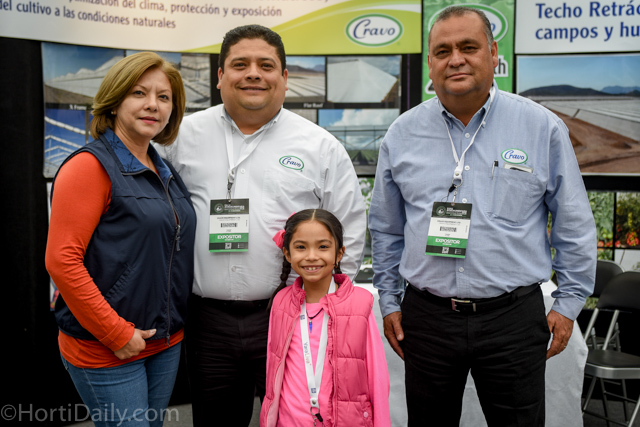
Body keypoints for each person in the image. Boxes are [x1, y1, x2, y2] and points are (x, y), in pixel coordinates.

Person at [368, 6, 596, 427]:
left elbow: (574, 223)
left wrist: (568, 305)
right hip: (427, 318)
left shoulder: (541, 128)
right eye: (443, 51)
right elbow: (386, 228)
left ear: (493, 54)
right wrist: (387, 300)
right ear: (430, 64)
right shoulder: (402, 134)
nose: (455, 59)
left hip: (513, 319)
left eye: (468, 47)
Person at [154, 25, 366, 426]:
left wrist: (321, 306)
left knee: (299, 419)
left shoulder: (320, 147)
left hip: (292, 316)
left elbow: (349, 231)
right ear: (220, 76)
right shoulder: (179, 137)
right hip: (207, 321)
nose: (253, 73)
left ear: (284, 77)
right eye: (240, 64)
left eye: (266, 65)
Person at [45, 52, 196, 427]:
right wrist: (116, 333)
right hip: (107, 346)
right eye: (139, 93)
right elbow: (62, 261)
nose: (153, 105)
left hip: (164, 341)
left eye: (164, 97)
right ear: (113, 102)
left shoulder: (163, 168)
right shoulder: (89, 166)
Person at [260, 209, 390, 427]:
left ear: (339, 253)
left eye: (322, 246)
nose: (311, 256)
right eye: (301, 247)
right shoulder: (281, 302)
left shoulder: (360, 303)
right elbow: (273, 371)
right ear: (287, 254)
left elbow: (378, 378)